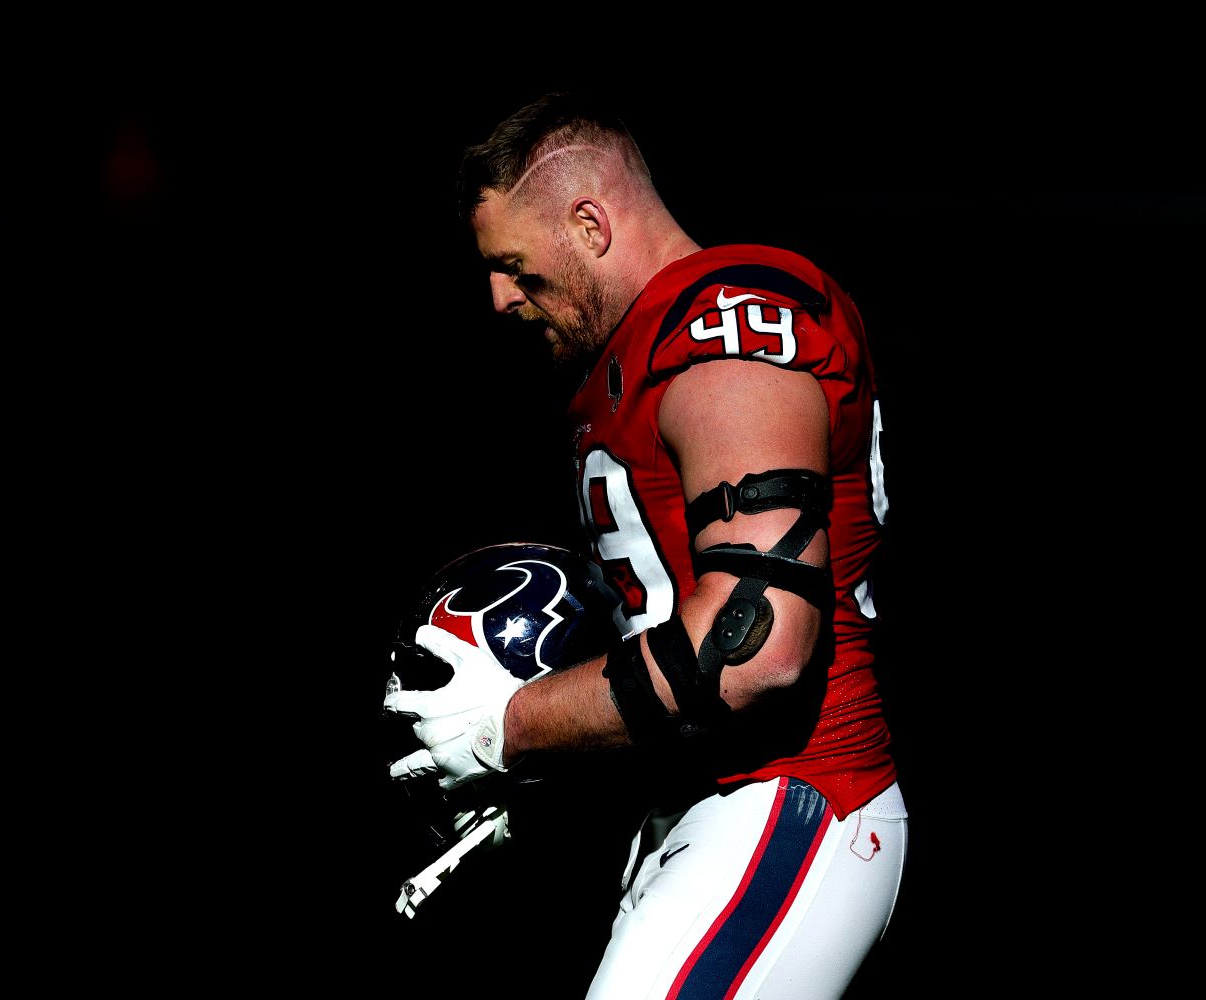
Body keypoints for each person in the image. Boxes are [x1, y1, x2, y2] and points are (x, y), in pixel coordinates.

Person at [383, 90, 907, 1000]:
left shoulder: (724, 317)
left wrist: (509, 728)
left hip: (792, 794)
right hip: (705, 809)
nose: (500, 298)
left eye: (514, 265)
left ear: (590, 222)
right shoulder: (632, 352)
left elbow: (753, 641)